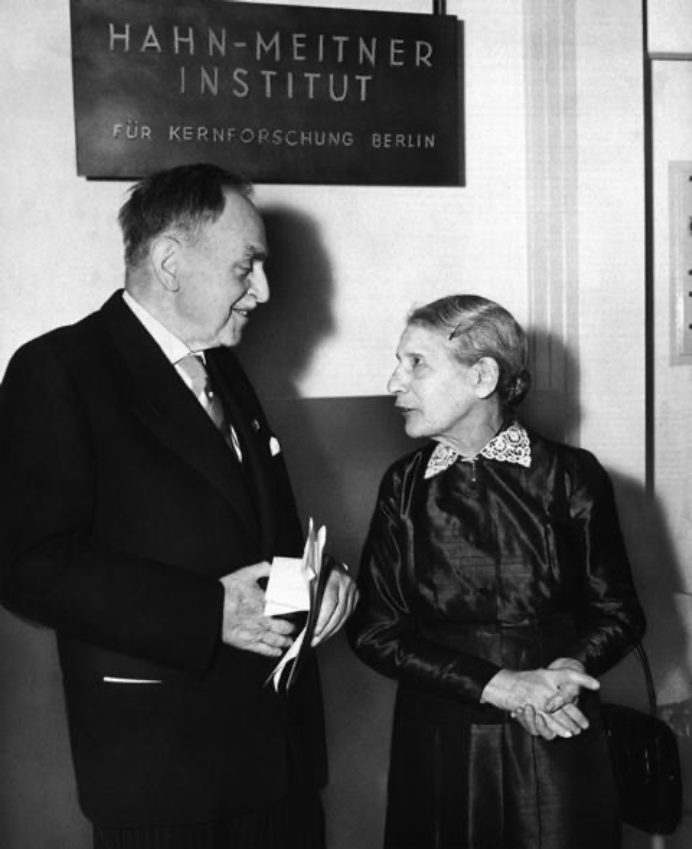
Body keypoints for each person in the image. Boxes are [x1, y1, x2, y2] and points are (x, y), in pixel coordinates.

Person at [0, 163, 357, 849]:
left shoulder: (221, 363)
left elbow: (258, 532)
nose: (263, 291)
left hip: (278, 762)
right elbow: (27, 565)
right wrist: (206, 612)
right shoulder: (59, 369)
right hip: (164, 775)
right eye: (245, 266)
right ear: (169, 262)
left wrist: (319, 579)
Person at [346, 294, 645, 849]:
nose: (394, 382)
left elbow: (618, 613)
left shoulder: (571, 476)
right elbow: (374, 631)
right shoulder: (403, 487)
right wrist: (500, 686)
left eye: (416, 363)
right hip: (440, 742)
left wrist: (565, 673)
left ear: (482, 376)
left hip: (555, 728)